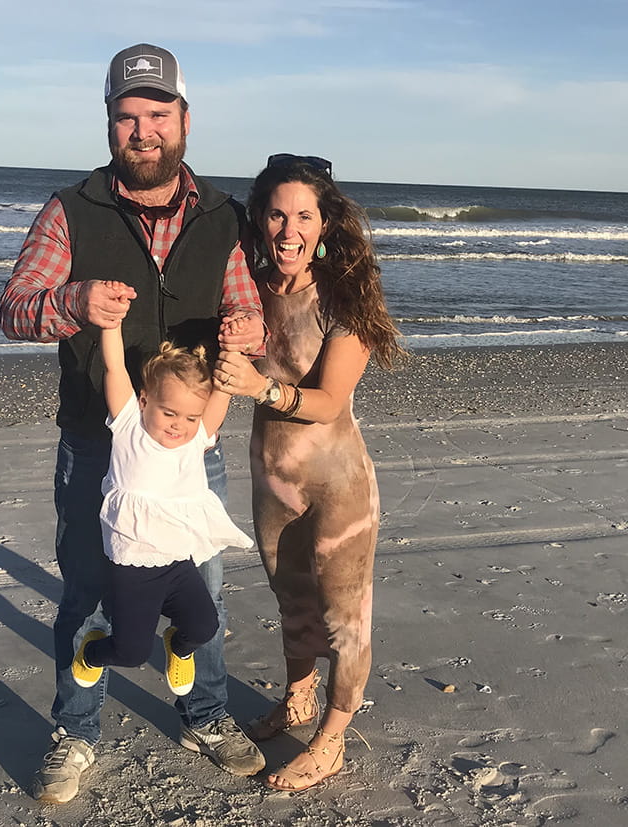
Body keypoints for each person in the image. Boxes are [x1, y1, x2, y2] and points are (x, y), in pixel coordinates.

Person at [0, 43, 265, 804]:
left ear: (184, 119)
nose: (142, 131)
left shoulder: (223, 216)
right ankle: (76, 730)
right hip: (96, 441)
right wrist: (71, 302)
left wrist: (251, 332)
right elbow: (15, 307)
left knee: (202, 584)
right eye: (127, 117)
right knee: (86, 589)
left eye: (157, 114)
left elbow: (253, 316)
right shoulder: (70, 209)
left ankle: (206, 714)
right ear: (110, 123)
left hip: (189, 445)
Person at [215, 154, 405, 792]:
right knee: (288, 597)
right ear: (260, 218)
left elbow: (327, 400)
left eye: (304, 215)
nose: (289, 230)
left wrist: (260, 388)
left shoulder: (342, 296)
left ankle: (331, 738)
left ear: (326, 223)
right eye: (276, 213)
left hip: (336, 487)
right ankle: (297, 698)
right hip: (271, 481)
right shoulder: (249, 285)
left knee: (343, 616)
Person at [70, 291, 253, 699]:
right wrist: (111, 324)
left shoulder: (196, 440)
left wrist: (234, 349)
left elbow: (221, 392)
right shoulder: (129, 426)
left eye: (189, 417)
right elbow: (115, 367)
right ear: (144, 400)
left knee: (204, 626)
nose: (179, 425)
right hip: (132, 567)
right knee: (131, 651)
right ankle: (93, 651)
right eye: (169, 413)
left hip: (177, 563)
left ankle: (178, 645)